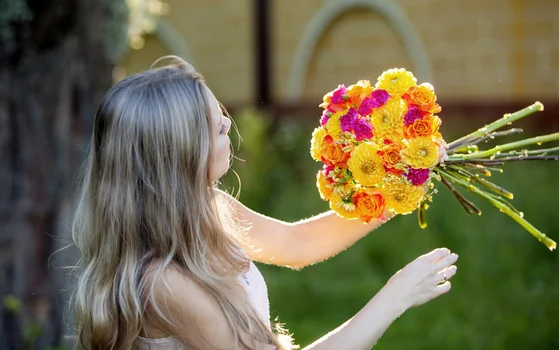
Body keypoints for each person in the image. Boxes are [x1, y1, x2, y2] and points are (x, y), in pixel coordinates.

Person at [70, 56, 459, 350]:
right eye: (217, 127)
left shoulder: (209, 207)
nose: (228, 127)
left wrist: (402, 183)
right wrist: (397, 293)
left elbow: (297, 244)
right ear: (180, 155)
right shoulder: (162, 282)